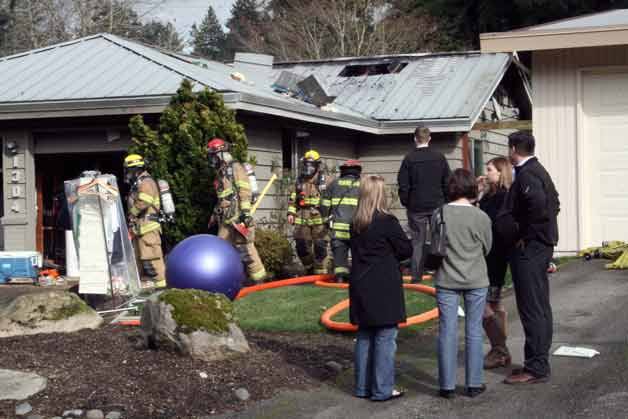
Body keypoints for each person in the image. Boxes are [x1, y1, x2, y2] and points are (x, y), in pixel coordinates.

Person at [502, 131, 559, 385]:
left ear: (514, 148)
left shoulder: (527, 174)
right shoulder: (539, 171)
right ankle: (537, 362)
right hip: (540, 246)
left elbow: (539, 207)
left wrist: (523, 234)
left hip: (531, 250)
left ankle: (536, 367)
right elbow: (554, 203)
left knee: (532, 307)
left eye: (509, 148)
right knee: (540, 306)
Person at [350, 175, 412, 401]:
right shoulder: (387, 222)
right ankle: (382, 389)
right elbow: (406, 250)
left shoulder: (355, 223)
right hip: (383, 285)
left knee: (365, 334)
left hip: (360, 283)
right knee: (386, 337)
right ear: (380, 194)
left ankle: (362, 387)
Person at [435, 169, 492, 399]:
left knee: (447, 331)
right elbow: (488, 248)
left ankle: (446, 386)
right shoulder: (481, 217)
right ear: (472, 188)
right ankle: (474, 383)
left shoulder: (439, 213)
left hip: (446, 278)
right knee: (474, 331)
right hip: (476, 278)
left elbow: (434, 245)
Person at [207, 138, 267, 284]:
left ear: (221, 154)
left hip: (238, 216)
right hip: (226, 219)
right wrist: (214, 215)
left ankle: (259, 281)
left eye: (213, 156)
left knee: (245, 249)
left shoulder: (236, 168)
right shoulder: (221, 173)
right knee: (221, 248)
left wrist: (245, 214)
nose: (212, 159)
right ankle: (230, 279)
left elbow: (244, 191)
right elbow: (222, 198)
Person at [397, 125, 451, 283]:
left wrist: (407, 201)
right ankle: (440, 272)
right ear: (430, 138)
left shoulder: (409, 158)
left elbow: (403, 184)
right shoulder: (439, 157)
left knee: (417, 242)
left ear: (415, 139)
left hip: (416, 206)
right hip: (437, 204)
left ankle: (416, 276)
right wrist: (446, 201)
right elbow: (447, 181)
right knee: (439, 239)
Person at [478, 157, 514, 369]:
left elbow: (489, 224)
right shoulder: (490, 195)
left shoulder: (503, 197)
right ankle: (499, 349)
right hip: (488, 257)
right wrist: (480, 192)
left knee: (486, 305)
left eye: (490, 169)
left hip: (494, 258)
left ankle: (499, 349)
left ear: (501, 173)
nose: (486, 172)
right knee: (495, 303)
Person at [124, 154, 166, 289]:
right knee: (140, 262)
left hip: (148, 228)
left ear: (135, 169)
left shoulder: (146, 182)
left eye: (129, 170)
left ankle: (161, 291)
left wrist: (132, 214)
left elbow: (144, 202)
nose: (127, 174)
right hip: (140, 229)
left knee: (153, 261)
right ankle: (144, 290)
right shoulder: (138, 183)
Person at [287, 150, 331, 275]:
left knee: (320, 247)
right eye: (306, 164)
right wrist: (291, 213)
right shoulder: (299, 180)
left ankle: (321, 274)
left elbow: (333, 198)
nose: (308, 167)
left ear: (317, 165)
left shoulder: (326, 181)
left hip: (320, 220)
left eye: (311, 165)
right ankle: (310, 269)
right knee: (301, 247)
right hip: (302, 218)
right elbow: (292, 199)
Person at [321, 159, 362, 283]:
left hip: (338, 229)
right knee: (359, 254)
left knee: (339, 256)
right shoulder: (363, 184)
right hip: (357, 228)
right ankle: (358, 278)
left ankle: (340, 278)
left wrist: (325, 220)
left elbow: (324, 204)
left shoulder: (334, 184)